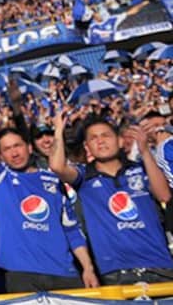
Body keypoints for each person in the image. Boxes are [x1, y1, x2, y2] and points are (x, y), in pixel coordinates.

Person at [0, 73, 99, 292]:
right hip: (22, 276)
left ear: (28, 147)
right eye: (7, 149)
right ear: (0, 156)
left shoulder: (52, 179)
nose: (14, 153)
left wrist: (88, 267)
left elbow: (71, 230)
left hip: (64, 273)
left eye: (17, 146)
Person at [49, 114, 173, 284]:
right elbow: (57, 166)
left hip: (160, 266)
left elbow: (164, 195)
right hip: (115, 272)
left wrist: (145, 151)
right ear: (87, 147)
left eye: (105, 135)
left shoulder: (142, 169)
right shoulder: (84, 176)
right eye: (93, 138)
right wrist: (58, 130)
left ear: (120, 141)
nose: (100, 141)